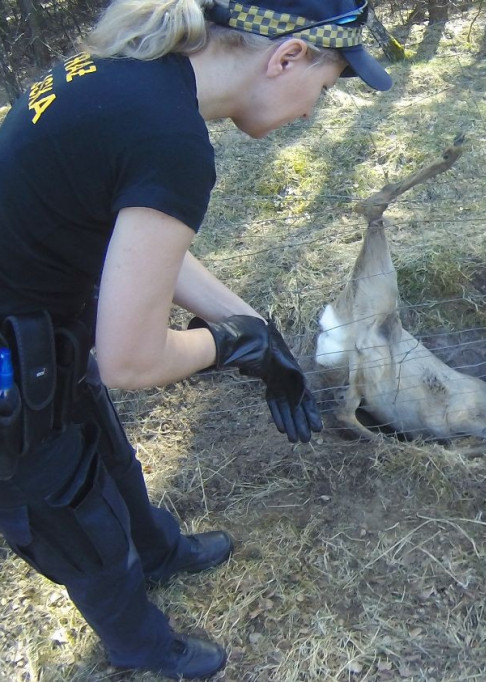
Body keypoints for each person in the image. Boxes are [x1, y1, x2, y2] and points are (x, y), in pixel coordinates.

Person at [0, 0, 391, 677]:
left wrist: (256, 327)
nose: (312, 110)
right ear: (287, 56)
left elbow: (142, 245)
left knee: (103, 448)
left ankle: (157, 551)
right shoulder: (169, 134)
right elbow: (130, 359)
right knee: (69, 512)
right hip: (11, 365)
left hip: (38, 328)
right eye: (325, 89)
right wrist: (233, 346)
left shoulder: (133, 76)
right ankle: (141, 649)